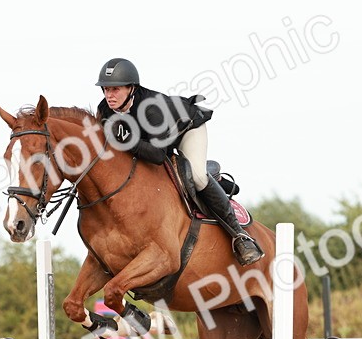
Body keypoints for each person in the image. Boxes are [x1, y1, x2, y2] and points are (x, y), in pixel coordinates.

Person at [94, 57, 264, 266]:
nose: (109, 95)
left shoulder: (151, 109)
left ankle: (240, 236)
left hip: (187, 130)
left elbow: (158, 155)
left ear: (131, 88)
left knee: (198, 177)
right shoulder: (105, 110)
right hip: (155, 140)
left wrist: (128, 140)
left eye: (115, 89)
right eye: (106, 89)